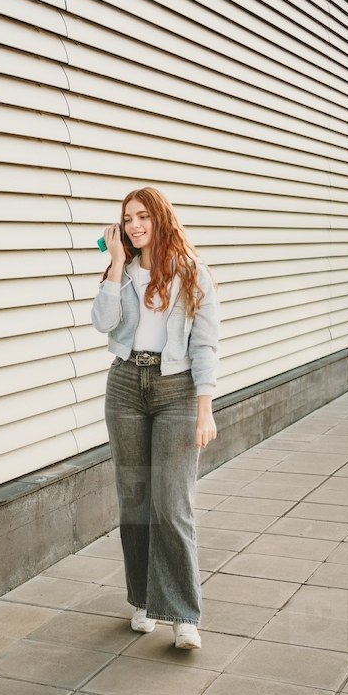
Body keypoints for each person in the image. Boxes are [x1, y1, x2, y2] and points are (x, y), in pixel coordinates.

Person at [90, 186, 220, 650]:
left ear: (160, 219)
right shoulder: (121, 273)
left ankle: (183, 614)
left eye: (142, 217)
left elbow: (204, 346)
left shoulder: (192, 273)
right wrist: (116, 267)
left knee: (172, 504)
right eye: (127, 220)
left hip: (176, 392)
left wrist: (205, 408)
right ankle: (143, 600)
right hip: (125, 385)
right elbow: (102, 323)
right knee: (135, 500)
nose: (134, 226)